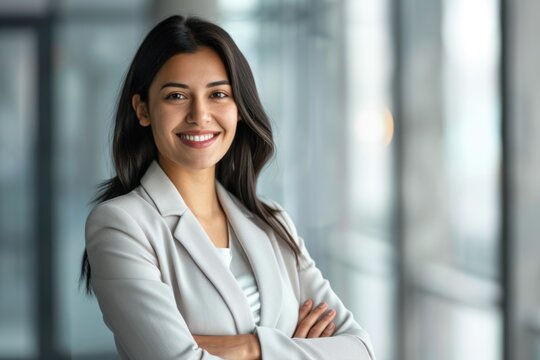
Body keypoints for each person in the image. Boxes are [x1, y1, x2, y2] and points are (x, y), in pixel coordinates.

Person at [82, 15, 375, 360]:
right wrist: (297, 347)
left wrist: (251, 347)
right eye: (176, 96)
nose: (200, 115)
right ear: (143, 109)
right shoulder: (121, 224)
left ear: (239, 109)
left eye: (218, 94)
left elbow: (359, 349)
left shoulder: (272, 222)